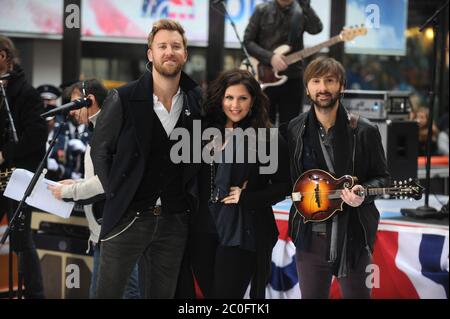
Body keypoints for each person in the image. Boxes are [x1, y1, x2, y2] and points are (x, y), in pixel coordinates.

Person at [90, 19, 202, 299]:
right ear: (150, 53)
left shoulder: (196, 101)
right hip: (127, 218)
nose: (169, 52)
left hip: (174, 221)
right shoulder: (123, 97)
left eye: (176, 46)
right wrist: (116, 192)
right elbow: (100, 150)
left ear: (185, 54)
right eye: (162, 46)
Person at [286, 57, 390, 299]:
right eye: (316, 81)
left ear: (341, 86)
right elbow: (286, 178)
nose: (323, 88)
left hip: (353, 238)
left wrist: (361, 195)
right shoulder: (293, 129)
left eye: (330, 81)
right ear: (307, 88)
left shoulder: (364, 130)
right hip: (310, 238)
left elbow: (382, 178)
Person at [188, 69, 291, 299]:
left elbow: (285, 184)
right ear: (220, 98)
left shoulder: (267, 138)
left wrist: (248, 197)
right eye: (229, 97)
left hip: (240, 232)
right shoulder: (202, 131)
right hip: (201, 230)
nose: (235, 105)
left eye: (242, 98)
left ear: (253, 101)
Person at [47, 79, 140, 299]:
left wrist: (70, 192)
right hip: (104, 230)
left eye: (74, 105)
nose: (71, 112)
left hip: (116, 229)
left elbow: (107, 183)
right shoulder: (100, 129)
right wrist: (76, 184)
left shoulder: (111, 130)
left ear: (90, 100)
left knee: (127, 292)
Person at [0, 34, 46, 298]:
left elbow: (37, 136)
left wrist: (6, 152)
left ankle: (35, 294)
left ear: (3, 56)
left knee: (20, 240)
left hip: (17, 175)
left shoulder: (26, 93)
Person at [244, 0, 323, 126]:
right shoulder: (262, 10)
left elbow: (316, 29)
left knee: (291, 126)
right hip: (265, 77)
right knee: (263, 125)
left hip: (293, 76)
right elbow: (248, 41)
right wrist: (270, 57)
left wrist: (306, 6)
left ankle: (286, 147)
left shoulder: (301, 10)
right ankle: (267, 147)